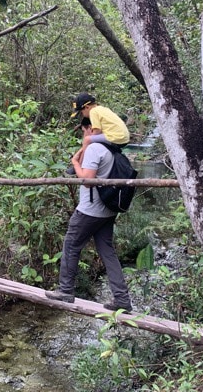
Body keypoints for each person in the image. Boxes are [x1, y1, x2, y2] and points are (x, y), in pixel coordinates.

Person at [46, 119, 133, 312]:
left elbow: (86, 180)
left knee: (71, 245)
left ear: (91, 129)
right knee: (107, 252)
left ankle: (66, 290)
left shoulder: (95, 149)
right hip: (107, 211)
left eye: (84, 130)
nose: (83, 134)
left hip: (90, 210)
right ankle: (122, 300)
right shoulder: (112, 149)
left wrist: (76, 162)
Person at [65, 93, 130, 175]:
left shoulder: (93, 112)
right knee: (88, 141)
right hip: (123, 138)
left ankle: (80, 166)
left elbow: (97, 131)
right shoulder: (103, 109)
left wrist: (86, 143)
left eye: (81, 112)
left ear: (87, 107)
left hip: (116, 137)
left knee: (87, 139)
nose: (82, 115)